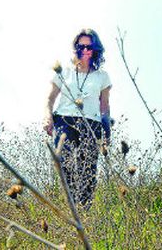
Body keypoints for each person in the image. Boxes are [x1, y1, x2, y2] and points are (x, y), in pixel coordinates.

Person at [43, 28, 111, 209]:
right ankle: (70, 206)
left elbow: (104, 107)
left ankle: (84, 211)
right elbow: (50, 99)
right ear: (76, 48)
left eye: (90, 47)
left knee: (88, 168)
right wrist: (47, 117)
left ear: (96, 49)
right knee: (64, 162)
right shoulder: (63, 72)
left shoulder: (102, 76)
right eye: (81, 46)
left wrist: (107, 133)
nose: (85, 50)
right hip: (65, 121)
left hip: (92, 124)